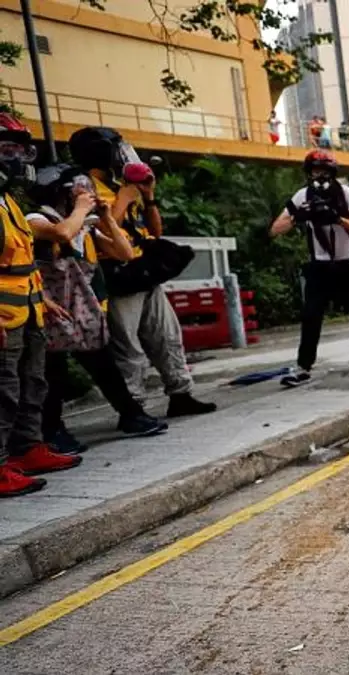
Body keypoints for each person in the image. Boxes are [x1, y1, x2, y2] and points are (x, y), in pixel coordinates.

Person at [67, 127, 217, 417]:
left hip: (142, 269)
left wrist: (148, 197)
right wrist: (124, 197)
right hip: (117, 272)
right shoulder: (84, 188)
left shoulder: (119, 184)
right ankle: (133, 407)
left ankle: (180, 393)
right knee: (129, 346)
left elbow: (154, 231)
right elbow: (103, 226)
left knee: (166, 335)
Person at [29, 165, 168, 453]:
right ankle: (52, 431)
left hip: (79, 307)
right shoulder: (37, 218)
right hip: (49, 306)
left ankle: (130, 414)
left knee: (103, 364)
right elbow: (63, 234)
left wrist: (105, 217)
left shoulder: (83, 224)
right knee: (52, 373)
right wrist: (81, 210)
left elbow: (125, 252)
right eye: (79, 192)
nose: (86, 196)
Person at [0, 114, 85, 497]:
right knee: (3, 390)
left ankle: (27, 448)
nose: (18, 158)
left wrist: (44, 299)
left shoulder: (9, 203)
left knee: (32, 384)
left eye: (20, 149)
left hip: (28, 310)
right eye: (8, 149)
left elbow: (20, 262)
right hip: (4, 317)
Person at [269, 150, 349, 387]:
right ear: (308, 174)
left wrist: (337, 218)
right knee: (311, 316)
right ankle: (303, 366)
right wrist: (298, 216)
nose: (320, 177)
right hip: (320, 267)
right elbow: (275, 229)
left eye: (324, 172)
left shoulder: (345, 194)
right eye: (315, 172)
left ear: (333, 174)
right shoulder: (302, 195)